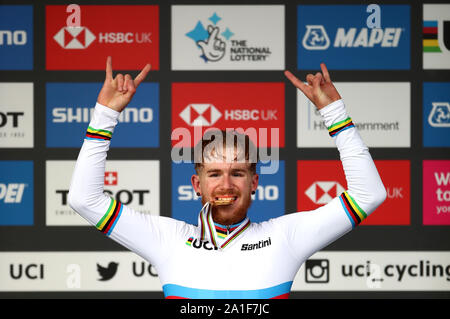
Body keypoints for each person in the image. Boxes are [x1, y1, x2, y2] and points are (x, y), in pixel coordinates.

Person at [68, 57, 386, 299]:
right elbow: (85, 200)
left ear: (255, 182)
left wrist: (335, 115)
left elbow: (369, 195)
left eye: (237, 173)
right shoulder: (168, 240)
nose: (226, 185)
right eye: (214, 174)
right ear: (197, 184)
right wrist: (104, 116)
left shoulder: (286, 237)